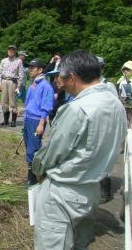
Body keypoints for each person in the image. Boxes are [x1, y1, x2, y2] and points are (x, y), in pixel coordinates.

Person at [32, 50, 127, 250]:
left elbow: (53, 152)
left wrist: (38, 169)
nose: (60, 82)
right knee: (81, 243)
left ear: (73, 77)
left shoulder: (77, 109)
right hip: (91, 190)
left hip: (63, 192)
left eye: (61, 77)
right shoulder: (116, 104)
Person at [22, 59, 54, 185]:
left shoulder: (46, 86)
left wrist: (41, 124)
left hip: (36, 122)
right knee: (29, 146)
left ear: (40, 70)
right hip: (28, 119)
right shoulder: (33, 83)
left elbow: (46, 106)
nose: (30, 70)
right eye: (29, 68)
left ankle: (33, 179)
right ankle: (37, 173)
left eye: (32, 68)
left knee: (33, 149)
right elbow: (31, 102)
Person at [96, 56, 119, 204]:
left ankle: (105, 192)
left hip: (105, 126)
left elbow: (115, 107)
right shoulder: (86, 84)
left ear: (103, 68)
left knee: (104, 157)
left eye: (98, 67)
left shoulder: (108, 85)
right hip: (94, 126)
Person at [0, 45, 24, 127]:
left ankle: (13, 121)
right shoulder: (3, 60)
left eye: (12, 50)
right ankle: (5, 121)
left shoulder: (18, 61)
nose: (10, 51)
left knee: (13, 102)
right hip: (4, 81)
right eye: (9, 50)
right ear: (7, 51)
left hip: (13, 82)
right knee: (4, 102)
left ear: (15, 51)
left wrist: (19, 86)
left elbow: (21, 75)